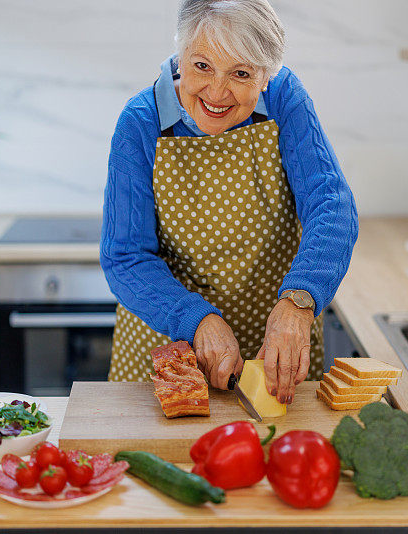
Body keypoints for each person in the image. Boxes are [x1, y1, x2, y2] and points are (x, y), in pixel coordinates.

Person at [101, 0, 357, 404]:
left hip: (274, 354)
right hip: (171, 350)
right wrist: (196, 320)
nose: (217, 93)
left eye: (240, 73)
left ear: (266, 77)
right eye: (202, 66)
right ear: (180, 54)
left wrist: (300, 299)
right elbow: (125, 257)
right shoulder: (140, 122)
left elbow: (331, 203)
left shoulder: (284, 98)